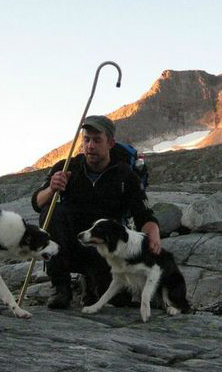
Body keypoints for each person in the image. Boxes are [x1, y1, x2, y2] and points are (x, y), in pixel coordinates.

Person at [31, 115, 161, 309]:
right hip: (70, 245)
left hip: (105, 252)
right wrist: (51, 189)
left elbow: (142, 214)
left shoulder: (126, 175)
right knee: (52, 212)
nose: (90, 145)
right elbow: (37, 202)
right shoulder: (67, 168)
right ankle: (61, 288)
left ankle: (92, 286)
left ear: (110, 143)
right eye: (86, 139)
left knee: (117, 303)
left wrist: (154, 232)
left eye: (97, 140)